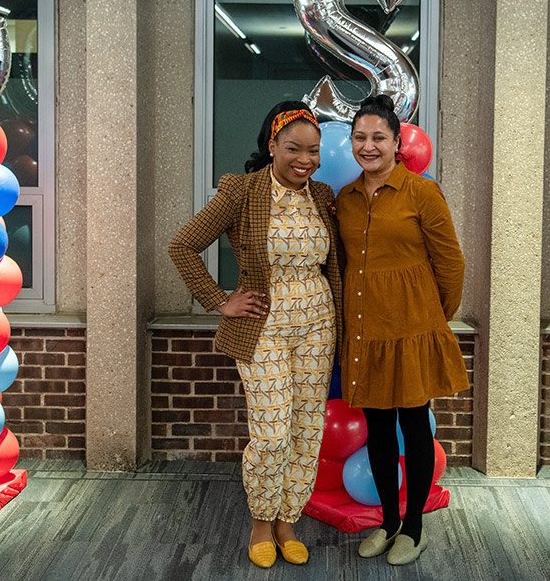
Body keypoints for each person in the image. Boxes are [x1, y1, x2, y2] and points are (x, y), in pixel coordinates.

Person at [168, 102, 341, 569]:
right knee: (271, 432)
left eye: (313, 150)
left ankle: (289, 521)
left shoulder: (323, 196)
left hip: (318, 325)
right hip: (264, 324)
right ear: (272, 146)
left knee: (307, 428)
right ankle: (261, 522)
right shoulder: (242, 192)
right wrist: (220, 300)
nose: (304, 159)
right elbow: (182, 245)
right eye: (293, 148)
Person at [335, 94, 467, 566]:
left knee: (414, 429)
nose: (368, 146)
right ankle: (388, 522)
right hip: (366, 334)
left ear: (397, 142)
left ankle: (414, 528)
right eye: (360, 138)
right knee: (378, 432)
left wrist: (431, 317)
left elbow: (450, 264)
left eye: (378, 138)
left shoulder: (422, 193)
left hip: (412, 330)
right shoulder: (345, 200)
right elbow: (346, 265)